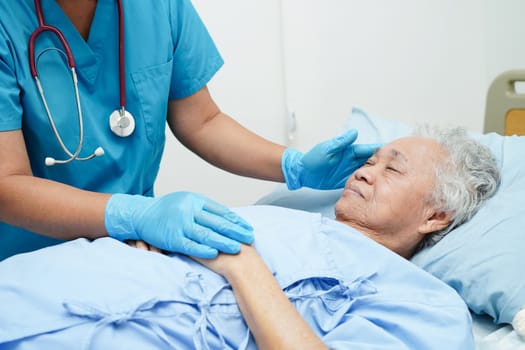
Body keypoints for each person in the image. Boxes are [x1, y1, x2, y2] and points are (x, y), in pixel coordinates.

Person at [0, 126, 500, 349]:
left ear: (437, 215)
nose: (366, 171)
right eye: (369, 160)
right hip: (41, 282)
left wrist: (242, 265)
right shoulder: (284, 217)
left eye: (393, 168)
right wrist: (146, 239)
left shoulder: (426, 304)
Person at [0, 0, 378, 260]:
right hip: (29, 259)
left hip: (135, 251)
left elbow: (202, 121)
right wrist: (132, 214)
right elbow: (6, 183)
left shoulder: (157, 7)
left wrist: (293, 166)